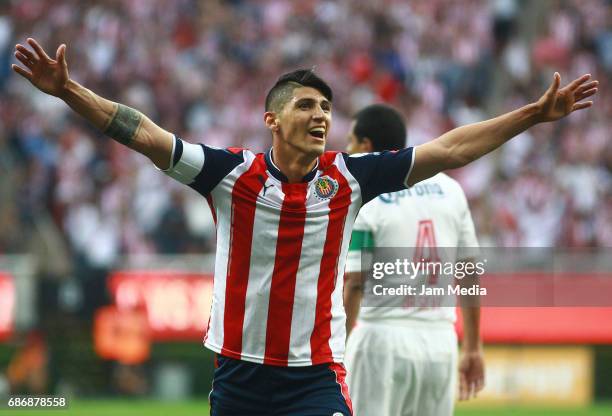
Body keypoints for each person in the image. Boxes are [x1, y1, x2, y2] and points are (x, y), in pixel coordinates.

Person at [12, 37, 597, 415]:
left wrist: (532, 116)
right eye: (306, 106)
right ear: (272, 118)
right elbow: (142, 133)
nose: (320, 116)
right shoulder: (228, 175)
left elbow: (449, 149)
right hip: (238, 377)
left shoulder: (352, 178)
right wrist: (68, 91)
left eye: (326, 108)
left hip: (314, 379)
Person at [343, 104, 483, 416]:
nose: (347, 150)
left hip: (381, 338)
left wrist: (337, 348)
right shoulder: (451, 189)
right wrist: (472, 346)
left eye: (350, 141)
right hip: (440, 343)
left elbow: (355, 283)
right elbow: (470, 273)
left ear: (366, 147)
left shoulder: (367, 195)